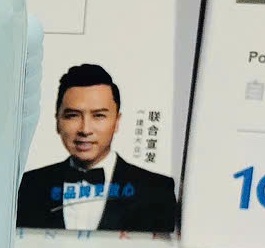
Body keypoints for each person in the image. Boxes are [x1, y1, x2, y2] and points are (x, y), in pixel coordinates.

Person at [16, 62, 177, 232]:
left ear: (117, 122)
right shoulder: (27, 186)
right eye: (72, 116)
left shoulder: (157, 190)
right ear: (57, 121)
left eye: (99, 116)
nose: (85, 129)